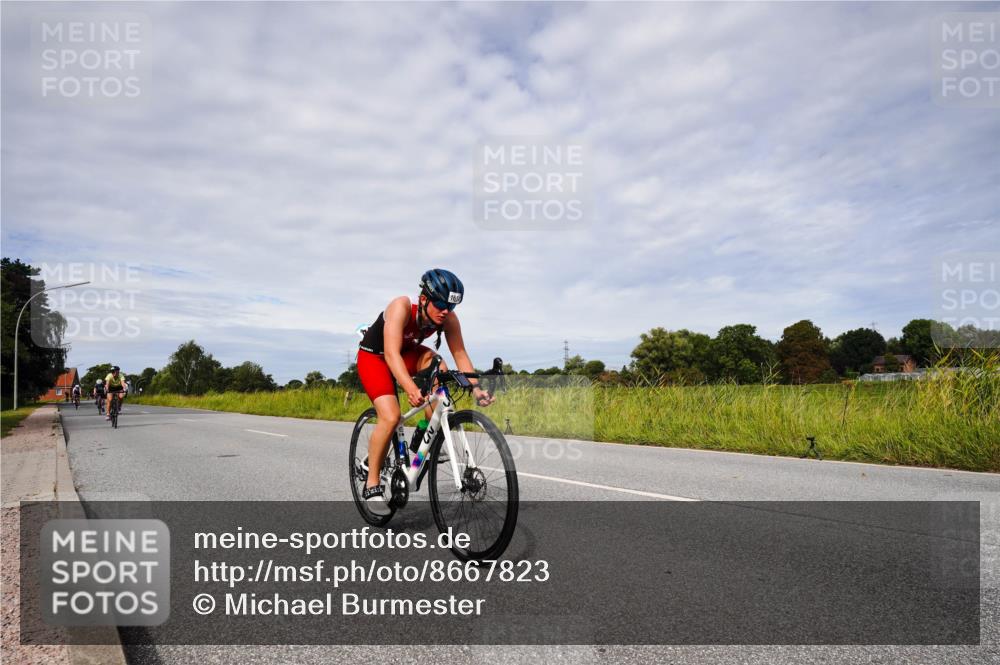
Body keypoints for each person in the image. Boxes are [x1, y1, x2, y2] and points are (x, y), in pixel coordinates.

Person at [356, 269, 494, 513]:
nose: (445, 311)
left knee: (439, 365)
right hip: (375, 358)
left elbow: (459, 354)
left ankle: (423, 437)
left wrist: (476, 389)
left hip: (407, 354)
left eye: (450, 307)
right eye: (440, 304)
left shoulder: (448, 319)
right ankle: (372, 483)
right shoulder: (400, 307)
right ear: (423, 299)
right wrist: (410, 387)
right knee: (391, 416)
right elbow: (390, 354)